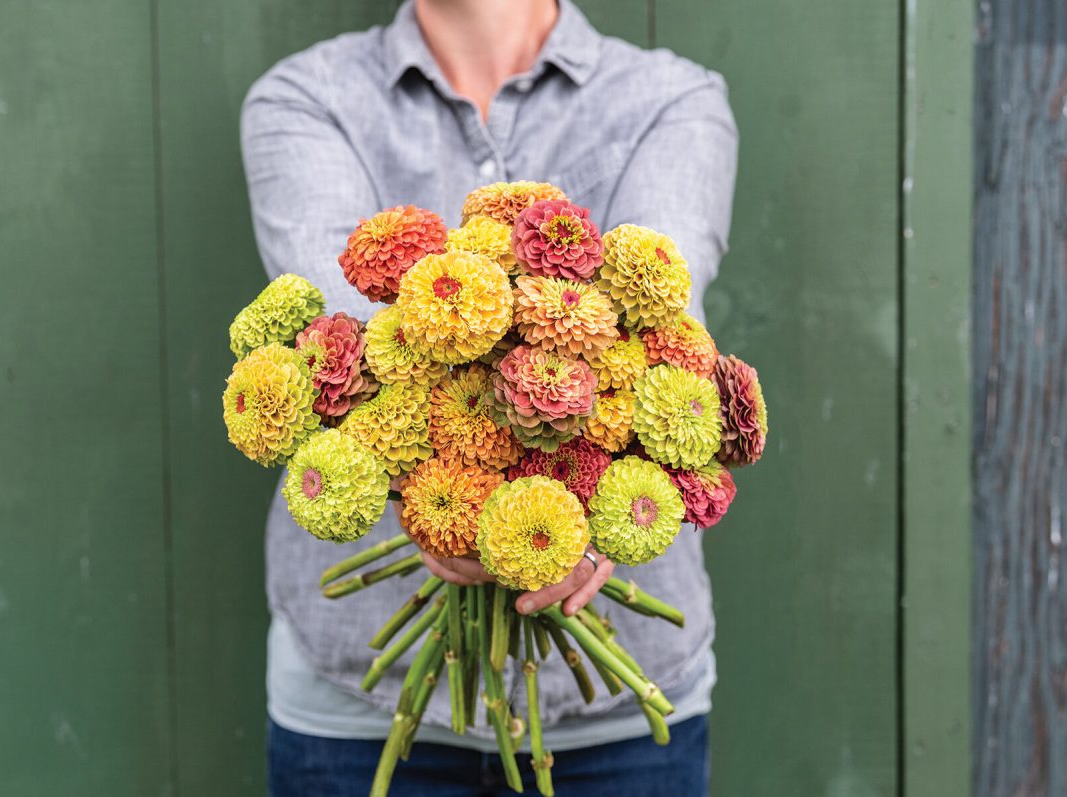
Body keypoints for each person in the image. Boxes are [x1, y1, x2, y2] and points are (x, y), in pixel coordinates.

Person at [241, 1, 737, 794]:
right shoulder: (306, 97)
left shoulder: (669, 98)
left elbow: (657, 342)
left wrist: (595, 520)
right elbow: (359, 345)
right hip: (360, 697)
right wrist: (446, 501)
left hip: (619, 704)